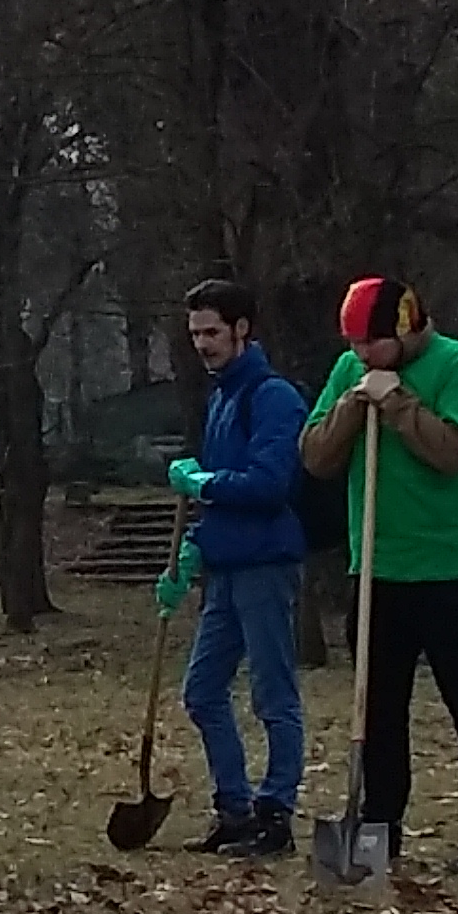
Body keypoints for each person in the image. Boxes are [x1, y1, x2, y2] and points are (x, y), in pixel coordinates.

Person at [298, 278, 458, 870]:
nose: (361, 354)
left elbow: (452, 454)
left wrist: (397, 404)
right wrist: (352, 404)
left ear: (406, 328)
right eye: (353, 344)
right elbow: (315, 456)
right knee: (379, 710)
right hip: (376, 570)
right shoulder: (350, 370)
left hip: (449, 569)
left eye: (372, 343)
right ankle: (379, 827)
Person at [156, 279, 309, 858]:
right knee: (202, 692)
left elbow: (269, 484)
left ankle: (276, 815)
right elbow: (219, 496)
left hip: (265, 563)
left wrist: (205, 483)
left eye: (212, 331)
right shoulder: (221, 398)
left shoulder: (273, 398)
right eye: (195, 332)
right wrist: (189, 554)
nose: (202, 343)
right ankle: (235, 809)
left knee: (274, 694)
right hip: (224, 567)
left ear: (242, 329)